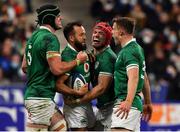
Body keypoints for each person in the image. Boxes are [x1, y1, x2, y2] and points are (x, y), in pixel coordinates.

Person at [21, 4, 87, 131]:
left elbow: (24, 67)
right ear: (50, 18)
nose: (60, 18)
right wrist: (78, 61)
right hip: (40, 98)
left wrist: (39, 69)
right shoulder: (50, 38)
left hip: (38, 96)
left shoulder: (32, 38)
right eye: (57, 16)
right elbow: (56, 69)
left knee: (61, 127)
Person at [67, 22, 117, 131]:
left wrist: (78, 101)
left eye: (101, 34)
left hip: (111, 108)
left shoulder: (108, 57)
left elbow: (101, 88)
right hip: (102, 108)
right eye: (95, 32)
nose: (96, 35)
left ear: (108, 38)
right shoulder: (91, 55)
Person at [111, 16, 149, 131]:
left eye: (114, 29)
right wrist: (147, 102)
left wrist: (128, 101)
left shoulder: (128, 51)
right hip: (133, 104)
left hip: (126, 105)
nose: (112, 33)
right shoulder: (137, 48)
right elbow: (145, 78)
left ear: (121, 33)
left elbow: (134, 77)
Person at [56, 21, 96, 131]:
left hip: (86, 102)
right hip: (74, 107)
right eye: (81, 35)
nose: (85, 37)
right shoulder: (68, 56)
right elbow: (58, 85)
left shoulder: (82, 51)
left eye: (84, 34)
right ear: (72, 38)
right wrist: (75, 92)